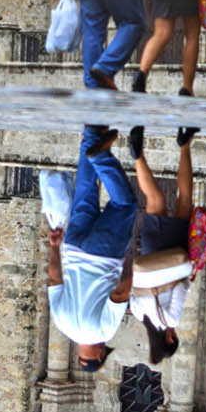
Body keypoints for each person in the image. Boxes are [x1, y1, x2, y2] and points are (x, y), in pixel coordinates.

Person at [47, 126, 137, 371]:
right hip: (73, 246)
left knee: (126, 205)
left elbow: (120, 294)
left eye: (104, 351)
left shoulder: (103, 330)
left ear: (98, 355)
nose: (105, 345)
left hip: (103, 254)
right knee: (85, 190)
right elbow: (54, 279)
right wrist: (54, 247)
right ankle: (92, 131)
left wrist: (131, 260)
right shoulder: (62, 324)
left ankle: (101, 156)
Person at [127, 123, 198, 364]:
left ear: (169, 339)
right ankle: (138, 157)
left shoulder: (171, 320)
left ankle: (184, 146)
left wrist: (187, 276)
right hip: (150, 251)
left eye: (174, 337)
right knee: (154, 198)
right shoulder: (139, 315)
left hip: (172, 254)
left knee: (184, 200)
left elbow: (179, 289)